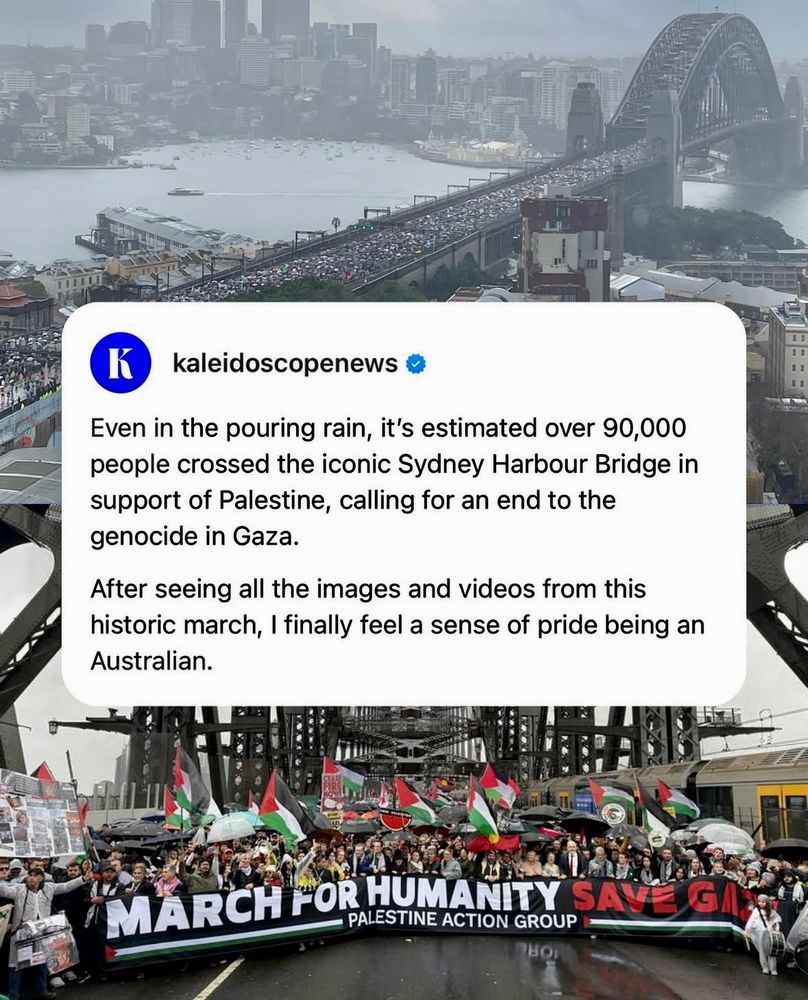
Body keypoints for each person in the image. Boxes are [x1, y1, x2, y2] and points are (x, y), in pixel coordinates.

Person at [0, 864, 89, 1000]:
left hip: (42, 932)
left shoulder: (49, 888)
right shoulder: (19, 889)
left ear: (41, 878)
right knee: (16, 966)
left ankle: (41, 990)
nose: (31, 878)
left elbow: (66, 887)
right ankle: (14, 995)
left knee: (41, 962)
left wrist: (83, 879)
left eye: (35, 875)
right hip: (21, 934)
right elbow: (4, 891)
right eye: (30, 875)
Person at [744, 894, 782, 976]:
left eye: (763, 902)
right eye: (759, 901)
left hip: (769, 933)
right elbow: (751, 921)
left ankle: (773, 968)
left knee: (771, 950)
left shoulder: (772, 911)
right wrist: (747, 930)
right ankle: (765, 967)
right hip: (760, 933)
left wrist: (776, 928)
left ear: (767, 903)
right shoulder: (756, 911)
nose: (760, 903)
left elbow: (776, 921)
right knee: (762, 950)